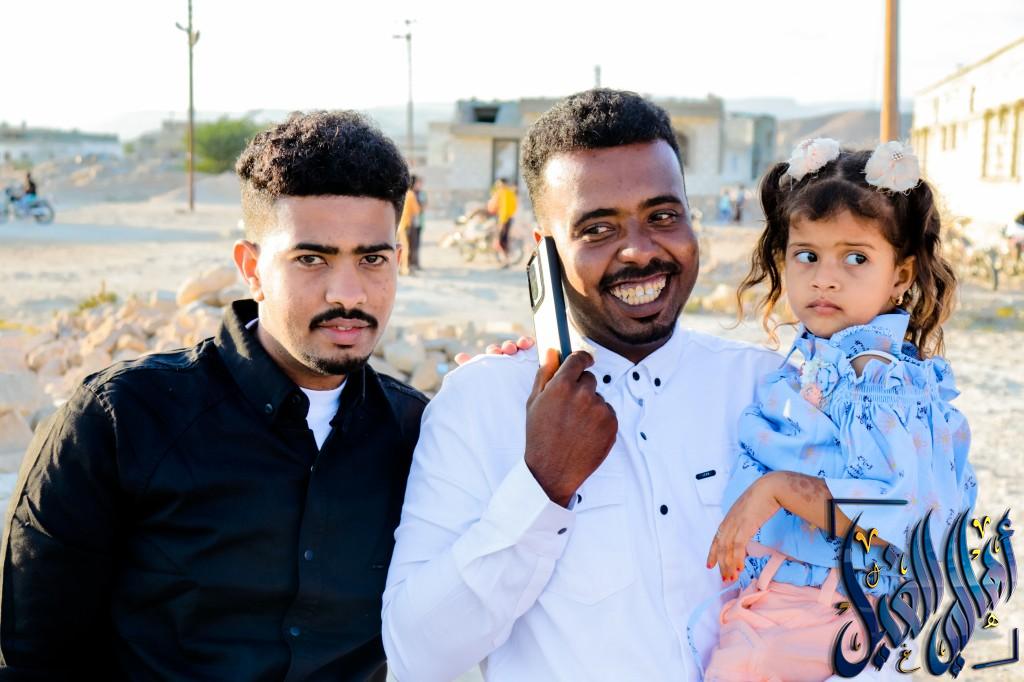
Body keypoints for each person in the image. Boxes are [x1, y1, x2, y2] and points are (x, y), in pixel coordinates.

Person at [0, 111, 427, 680]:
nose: (347, 294)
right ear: (252, 269)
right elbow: (32, 654)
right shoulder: (122, 419)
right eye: (311, 259)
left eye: (372, 259)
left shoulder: (422, 434)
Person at [381, 88, 782, 681]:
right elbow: (418, 653)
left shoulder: (767, 388)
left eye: (663, 216)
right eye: (597, 229)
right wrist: (542, 485)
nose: (639, 251)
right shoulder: (481, 403)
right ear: (545, 253)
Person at [703, 139, 977, 681]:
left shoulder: (876, 380)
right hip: (786, 606)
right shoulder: (821, 359)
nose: (824, 278)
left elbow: (898, 514)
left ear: (901, 276)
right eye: (807, 255)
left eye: (856, 258)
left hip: (825, 616)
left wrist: (778, 489)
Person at [489, 177, 517, 266]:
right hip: (505, 218)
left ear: (503, 184)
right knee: (503, 239)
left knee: (502, 240)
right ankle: (505, 260)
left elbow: (506, 207)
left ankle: (506, 260)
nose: (498, 185)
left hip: (504, 219)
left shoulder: (505, 193)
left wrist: (503, 221)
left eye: (499, 184)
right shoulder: (507, 192)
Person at [397, 176, 421, 276]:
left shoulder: (398, 194)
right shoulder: (410, 195)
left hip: (397, 224)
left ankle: (401, 267)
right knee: (405, 247)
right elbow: (417, 210)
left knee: (398, 246)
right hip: (405, 224)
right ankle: (404, 268)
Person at [409, 175, 426, 270]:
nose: (419, 185)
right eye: (418, 183)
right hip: (410, 223)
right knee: (411, 244)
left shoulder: (421, 194)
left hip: (418, 222)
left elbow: (424, 206)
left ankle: (415, 263)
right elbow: (417, 210)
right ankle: (411, 264)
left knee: (416, 244)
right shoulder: (410, 194)